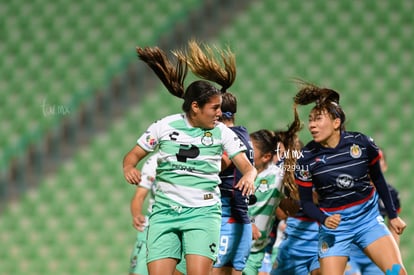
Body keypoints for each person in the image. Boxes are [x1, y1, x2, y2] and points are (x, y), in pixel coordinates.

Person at [123, 43, 257, 275]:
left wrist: (249, 175)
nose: (219, 114)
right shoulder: (164, 126)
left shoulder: (222, 132)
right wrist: (129, 167)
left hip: (203, 213)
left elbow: (247, 166)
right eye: (214, 108)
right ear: (195, 107)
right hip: (164, 213)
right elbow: (132, 155)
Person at [292, 82, 407, 275]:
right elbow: (306, 202)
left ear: (336, 123)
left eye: (318, 119)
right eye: (310, 119)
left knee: (397, 273)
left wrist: (393, 216)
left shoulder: (362, 144)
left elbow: (379, 180)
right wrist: (323, 219)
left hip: (368, 220)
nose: (311, 125)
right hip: (335, 227)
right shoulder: (306, 157)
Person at [177, 40, 255, 275]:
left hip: (224, 215)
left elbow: (220, 163)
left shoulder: (229, 136)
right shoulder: (242, 133)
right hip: (232, 216)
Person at [345, 148, 402, 275]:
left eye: (379, 159)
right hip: (351, 253)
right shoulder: (349, 190)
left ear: (385, 166)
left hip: (377, 253)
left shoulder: (391, 194)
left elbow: (394, 229)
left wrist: (394, 257)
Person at [128, 152, 185, 275]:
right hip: (154, 223)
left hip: (184, 224)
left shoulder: (196, 159)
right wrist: (136, 214)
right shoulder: (154, 161)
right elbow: (139, 196)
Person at [242, 129, 284, 275]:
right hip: (228, 240)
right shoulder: (236, 168)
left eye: (251, 150)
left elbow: (289, 208)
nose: (245, 151)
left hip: (254, 251)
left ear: (266, 157)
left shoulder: (277, 177)